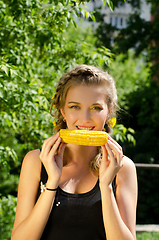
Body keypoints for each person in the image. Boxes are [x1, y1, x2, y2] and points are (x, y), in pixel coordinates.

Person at [11, 65, 138, 240]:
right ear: (62, 111)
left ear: (109, 112)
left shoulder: (123, 168)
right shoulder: (35, 161)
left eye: (96, 108)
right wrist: (52, 182)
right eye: (74, 107)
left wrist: (106, 187)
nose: (85, 119)